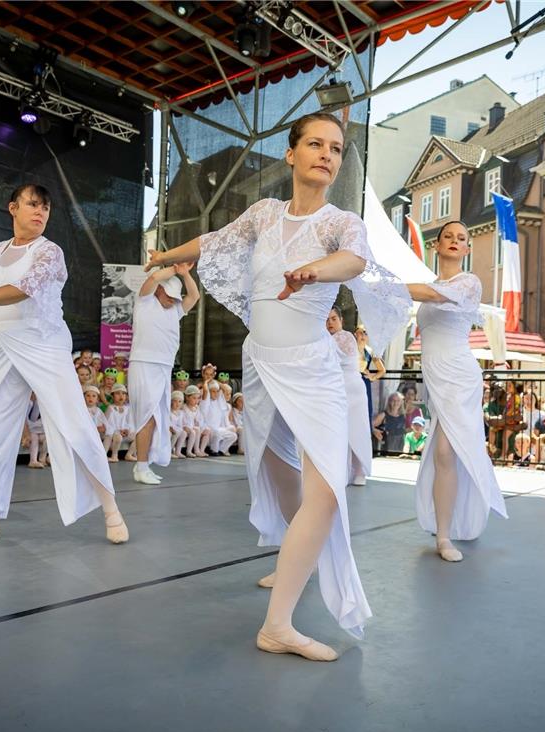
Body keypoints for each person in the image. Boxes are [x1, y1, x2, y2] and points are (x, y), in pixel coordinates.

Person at [144, 111, 409, 661]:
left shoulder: (341, 221)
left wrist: (315, 270)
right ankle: (298, 555)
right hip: (262, 361)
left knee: (326, 490)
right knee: (270, 464)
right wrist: (167, 256)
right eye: (315, 144)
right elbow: (215, 241)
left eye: (336, 148)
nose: (327, 155)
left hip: (313, 367)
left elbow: (354, 259)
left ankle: (278, 625)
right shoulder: (264, 214)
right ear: (291, 154)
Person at [0, 183, 128, 545]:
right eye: (33, 205)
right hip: (6, 347)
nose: (40, 212)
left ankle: (112, 511)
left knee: (75, 425)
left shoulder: (49, 251)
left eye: (46, 208)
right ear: (13, 208)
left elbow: (23, 288)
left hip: (44, 343)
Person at [404, 220, 508, 561]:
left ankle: (444, 537)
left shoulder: (468, 282)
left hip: (460, 375)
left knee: (447, 452)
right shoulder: (428, 286)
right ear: (437, 245)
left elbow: (434, 295)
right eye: (448, 236)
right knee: (443, 453)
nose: (454, 241)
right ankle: (446, 526)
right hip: (436, 377)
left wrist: (390, 286)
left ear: (466, 249)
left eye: (461, 238)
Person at [128, 262, 199, 484]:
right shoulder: (145, 301)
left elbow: (194, 296)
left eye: (175, 297)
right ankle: (140, 467)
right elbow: (153, 278)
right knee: (147, 417)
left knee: (158, 419)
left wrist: (185, 274)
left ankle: (145, 464)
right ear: (159, 289)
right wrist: (174, 269)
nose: (172, 300)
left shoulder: (176, 309)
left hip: (164, 367)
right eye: (169, 295)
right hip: (144, 364)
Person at [326, 307, 372, 486]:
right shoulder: (328, 339)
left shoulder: (343, 337)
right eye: (327, 319)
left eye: (333, 318)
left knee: (355, 428)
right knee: (344, 429)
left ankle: (358, 470)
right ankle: (347, 471)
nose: (330, 322)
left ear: (341, 320)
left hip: (350, 387)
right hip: (339, 388)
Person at [355, 324, 385, 425]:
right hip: (351, 380)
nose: (363, 335)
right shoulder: (350, 348)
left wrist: (373, 377)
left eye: (366, 333)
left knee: (365, 410)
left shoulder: (370, 351)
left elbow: (382, 370)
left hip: (364, 382)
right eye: (360, 332)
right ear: (355, 334)